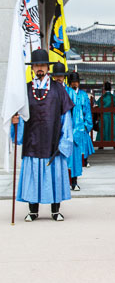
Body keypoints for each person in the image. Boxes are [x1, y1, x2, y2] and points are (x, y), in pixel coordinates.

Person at [11, 49, 74, 221]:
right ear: (32, 69)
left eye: (43, 65)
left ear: (48, 68)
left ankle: (55, 210)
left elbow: (66, 117)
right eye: (36, 65)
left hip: (53, 141)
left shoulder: (58, 89)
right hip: (33, 141)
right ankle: (33, 210)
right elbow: (21, 117)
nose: (40, 68)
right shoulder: (24, 91)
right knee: (33, 176)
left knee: (55, 176)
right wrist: (15, 123)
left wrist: (65, 141)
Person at [66, 72, 94, 191]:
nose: (74, 84)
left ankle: (74, 181)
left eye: (76, 82)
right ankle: (65, 181)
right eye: (72, 82)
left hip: (79, 130)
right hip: (66, 129)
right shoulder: (65, 93)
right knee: (66, 157)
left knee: (76, 158)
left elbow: (87, 111)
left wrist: (87, 126)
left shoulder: (83, 95)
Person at [96, 81, 115, 146]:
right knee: (113, 129)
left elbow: (99, 105)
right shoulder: (114, 97)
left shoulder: (102, 98)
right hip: (111, 115)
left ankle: (101, 144)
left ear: (104, 88)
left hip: (103, 115)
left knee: (103, 129)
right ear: (111, 88)